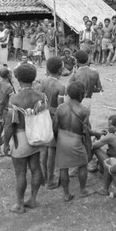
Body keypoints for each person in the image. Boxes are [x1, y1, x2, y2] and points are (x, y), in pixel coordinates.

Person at [3, 63, 45, 214]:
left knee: (20, 173)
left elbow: (9, 125)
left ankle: (19, 205)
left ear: (17, 78)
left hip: (20, 138)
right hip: (36, 136)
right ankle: (33, 199)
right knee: (35, 168)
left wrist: (6, 143)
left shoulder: (14, 99)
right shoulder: (40, 96)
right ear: (33, 78)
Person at [54, 81, 104, 201]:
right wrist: (93, 138)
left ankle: (66, 194)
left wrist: (58, 140)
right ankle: (83, 190)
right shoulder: (85, 110)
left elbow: (54, 127)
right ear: (82, 95)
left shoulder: (60, 108)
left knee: (63, 167)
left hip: (62, 139)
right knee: (83, 164)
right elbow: (85, 131)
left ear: (68, 94)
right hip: (76, 140)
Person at [39, 56, 66, 189]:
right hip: (53, 118)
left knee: (44, 148)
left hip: (43, 115)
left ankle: (44, 178)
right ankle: (50, 180)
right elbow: (60, 107)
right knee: (52, 150)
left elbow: (40, 100)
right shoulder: (61, 86)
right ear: (60, 69)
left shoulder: (42, 82)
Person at [92, 115, 116, 196]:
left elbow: (93, 146)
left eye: (109, 125)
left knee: (96, 149)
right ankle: (99, 166)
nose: (107, 127)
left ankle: (104, 188)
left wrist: (96, 137)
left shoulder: (111, 137)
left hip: (114, 167)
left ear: (115, 127)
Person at [0, 68, 14, 157]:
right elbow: (12, 100)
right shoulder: (9, 86)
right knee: (8, 129)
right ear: (8, 75)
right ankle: (0, 146)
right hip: (5, 109)